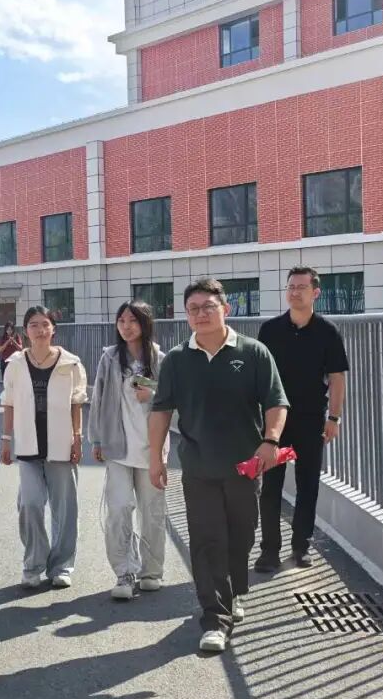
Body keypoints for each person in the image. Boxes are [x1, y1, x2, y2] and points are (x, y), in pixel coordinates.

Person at [148, 279, 288, 654]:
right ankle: (215, 618)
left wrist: (270, 441)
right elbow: (161, 411)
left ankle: (234, 591)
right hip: (199, 467)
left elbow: (276, 402)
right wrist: (155, 458)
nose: (201, 314)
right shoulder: (177, 359)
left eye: (208, 306)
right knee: (207, 539)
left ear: (225, 309)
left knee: (241, 535)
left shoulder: (254, 352)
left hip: (245, 465)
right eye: (193, 309)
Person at [255, 266, 349, 571]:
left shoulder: (327, 332)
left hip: (311, 421)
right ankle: (269, 550)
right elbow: (259, 377)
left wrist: (334, 418)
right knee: (271, 486)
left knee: (308, 485)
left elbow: (337, 378)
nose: (294, 292)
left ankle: (301, 546)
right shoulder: (269, 330)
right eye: (291, 287)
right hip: (275, 422)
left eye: (301, 287)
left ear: (315, 292)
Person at [0, 305, 87, 590]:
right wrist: (6, 439)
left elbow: (76, 402)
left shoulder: (70, 363)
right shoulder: (15, 363)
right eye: (34, 325)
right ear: (26, 331)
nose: (40, 330)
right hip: (28, 445)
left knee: (65, 509)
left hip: (61, 445)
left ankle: (61, 566)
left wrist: (77, 437)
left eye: (45, 324)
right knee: (30, 504)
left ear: (53, 329)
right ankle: (33, 564)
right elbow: (9, 403)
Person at [88, 301, 168, 600]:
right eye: (121, 320)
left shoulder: (159, 358)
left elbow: (172, 399)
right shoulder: (109, 358)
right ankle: (124, 571)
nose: (126, 326)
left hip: (151, 449)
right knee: (119, 509)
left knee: (152, 513)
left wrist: (153, 393)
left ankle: (151, 572)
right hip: (117, 447)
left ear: (145, 323)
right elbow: (98, 399)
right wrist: (96, 439)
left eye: (132, 320)